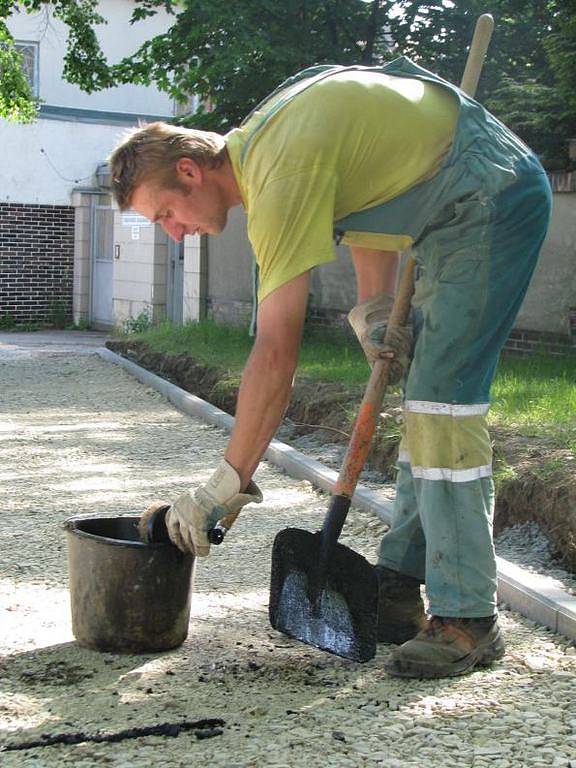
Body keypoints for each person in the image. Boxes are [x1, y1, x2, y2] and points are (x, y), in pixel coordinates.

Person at [108, 57, 552, 679]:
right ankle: (399, 586)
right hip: (441, 215)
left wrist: (226, 484)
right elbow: (368, 198)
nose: (176, 235)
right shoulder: (267, 146)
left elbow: (274, 355)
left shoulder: (277, 174)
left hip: (489, 200)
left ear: (189, 171)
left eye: (164, 216)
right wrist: (374, 307)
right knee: (426, 401)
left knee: (444, 404)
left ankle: (468, 620)